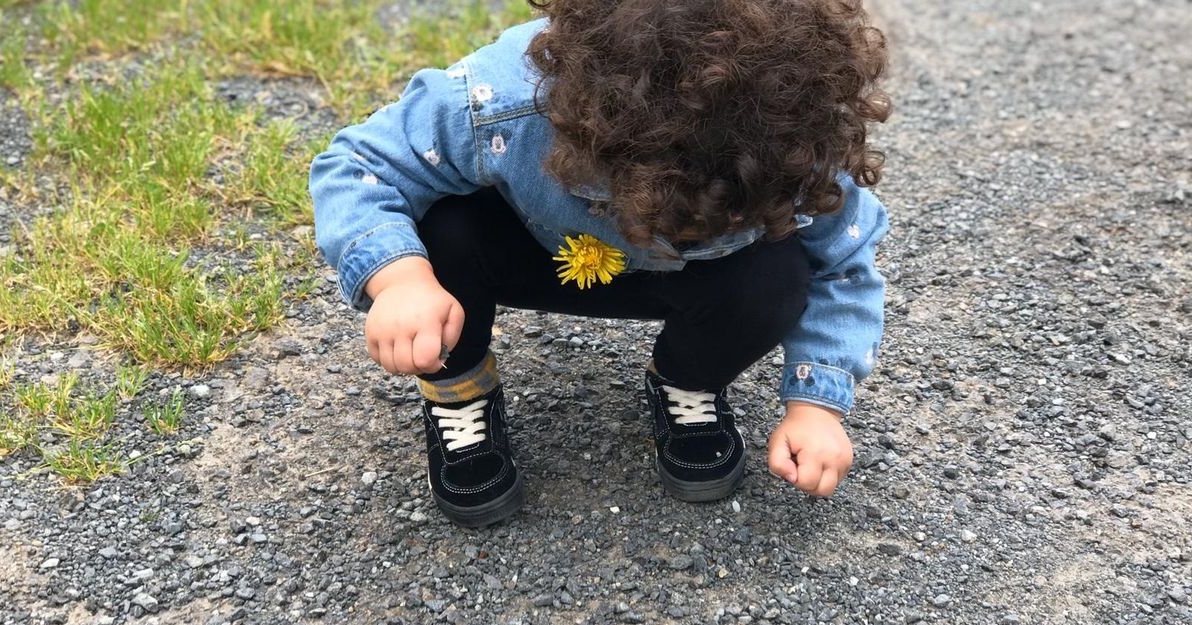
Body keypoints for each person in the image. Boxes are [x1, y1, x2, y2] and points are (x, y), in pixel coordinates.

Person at [310, 0, 891, 527]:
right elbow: (361, 164)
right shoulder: (508, 102)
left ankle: (688, 378)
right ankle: (457, 387)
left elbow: (841, 264)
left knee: (778, 276)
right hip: (527, 251)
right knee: (442, 224)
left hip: (697, 281)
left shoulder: (797, 142)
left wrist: (816, 406)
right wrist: (400, 279)